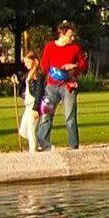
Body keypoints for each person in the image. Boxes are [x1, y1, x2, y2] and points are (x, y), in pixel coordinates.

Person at [34, 21, 86, 151]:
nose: (72, 38)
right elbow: (44, 66)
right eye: (70, 35)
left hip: (68, 86)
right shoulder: (50, 47)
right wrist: (56, 71)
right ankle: (43, 142)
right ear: (62, 34)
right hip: (52, 86)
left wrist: (74, 68)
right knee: (46, 114)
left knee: (70, 116)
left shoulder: (75, 48)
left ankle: (73, 144)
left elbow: (83, 64)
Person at [17, 57, 39, 152]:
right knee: (23, 130)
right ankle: (40, 144)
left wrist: (36, 108)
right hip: (28, 105)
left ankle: (33, 150)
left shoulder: (38, 75)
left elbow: (39, 92)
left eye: (27, 62)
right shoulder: (29, 74)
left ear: (33, 61)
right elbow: (25, 88)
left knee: (30, 129)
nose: (25, 64)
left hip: (33, 104)